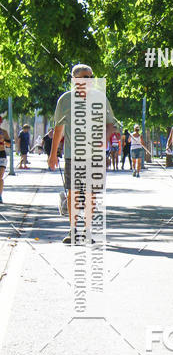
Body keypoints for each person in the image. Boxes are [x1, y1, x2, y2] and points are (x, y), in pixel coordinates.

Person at [48, 64, 118, 242]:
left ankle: (86, 231)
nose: (89, 80)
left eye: (91, 77)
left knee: (90, 194)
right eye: (85, 77)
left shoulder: (100, 98)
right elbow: (58, 129)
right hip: (74, 154)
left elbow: (111, 124)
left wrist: (105, 137)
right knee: (74, 193)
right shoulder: (65, 100)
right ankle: (72, 231)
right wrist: (53, 154)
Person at [0, 117, 11, 203]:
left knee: (0, 177)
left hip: (1, 155)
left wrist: (3, 141)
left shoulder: (4, 132)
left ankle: (0, 195)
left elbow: (9, 144)